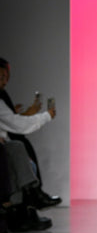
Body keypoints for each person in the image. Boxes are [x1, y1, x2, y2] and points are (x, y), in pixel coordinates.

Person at [0, 57, 61, 207]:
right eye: (1, 77)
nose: (5, 82)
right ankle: (32, 196)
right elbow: (15, 124)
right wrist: (46, 116)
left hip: (7, 141)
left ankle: (30, 199)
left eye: (7, 77)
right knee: (19, 146)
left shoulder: (2, 95)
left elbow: (10, 121)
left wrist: (27, 114)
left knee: (19, 146)